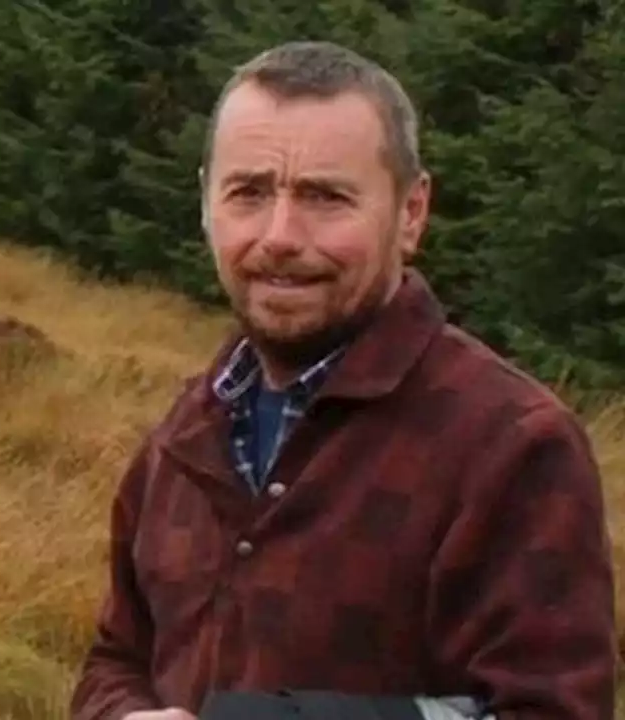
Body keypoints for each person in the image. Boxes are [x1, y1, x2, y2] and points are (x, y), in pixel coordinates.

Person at [68, 40, 618, 720]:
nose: (278, 235)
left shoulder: (512, 448)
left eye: (325, 197)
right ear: (206, 202)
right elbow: (116, 658)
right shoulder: (188, 429)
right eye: (248, 193)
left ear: (411, 212)